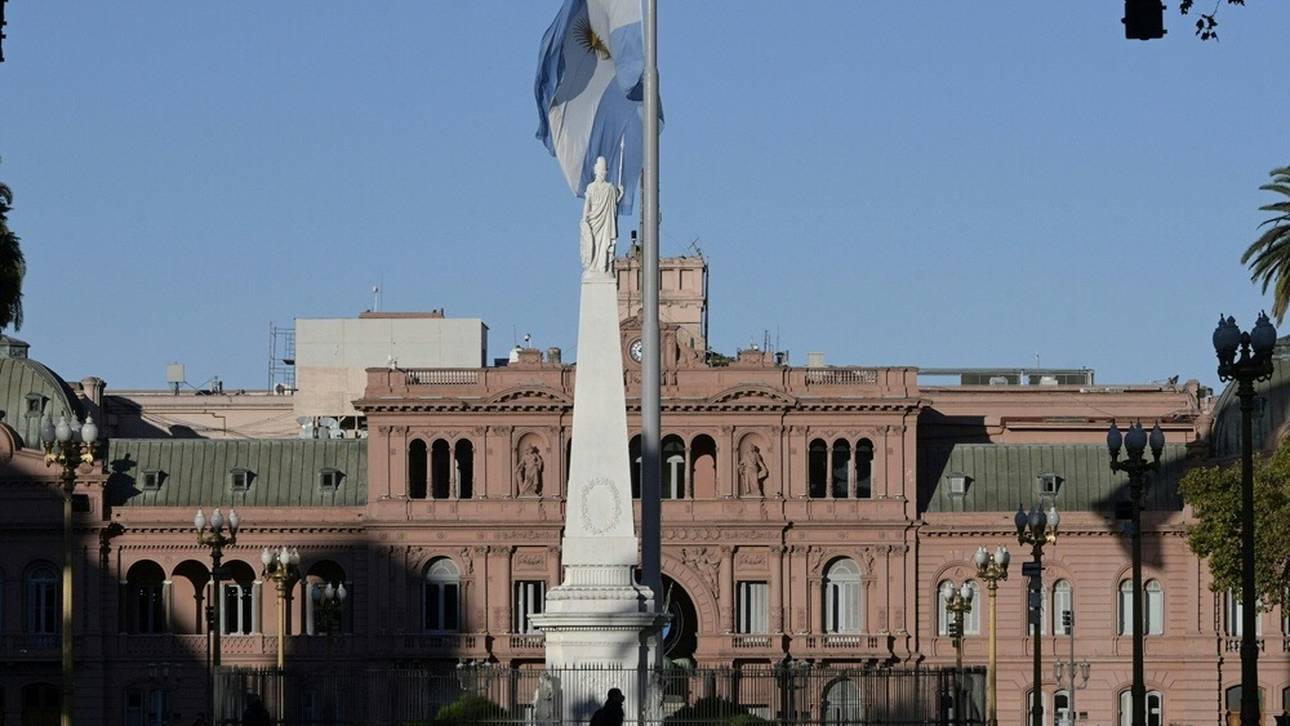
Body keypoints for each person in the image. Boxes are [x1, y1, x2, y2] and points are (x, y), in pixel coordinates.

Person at [579, 156, 623, 274]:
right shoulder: (592, 187)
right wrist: (584, 220)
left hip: (605, 223)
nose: (602, 172)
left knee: (604, 245)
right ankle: (593, 266)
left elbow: (612, 206)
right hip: (594, 222)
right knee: (594, 246)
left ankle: (603, 268)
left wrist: (619, 195)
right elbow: (587, 205)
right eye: (600, 170)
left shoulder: (610, 188)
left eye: (603, 170)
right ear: (596, 170)